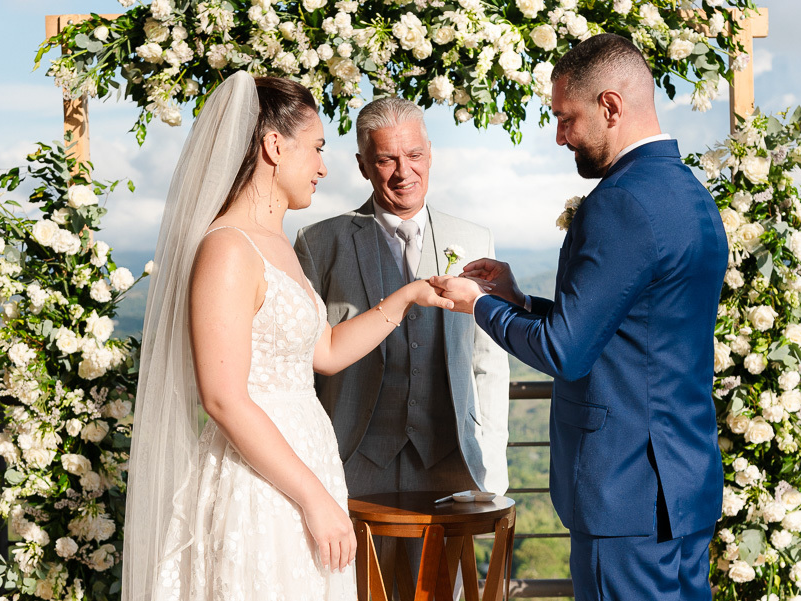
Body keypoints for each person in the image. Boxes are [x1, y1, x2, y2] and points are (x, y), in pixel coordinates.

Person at [122, 72, 453, 601]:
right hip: (262, 478)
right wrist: (314, 499)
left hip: (308, 460)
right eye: (317, 148)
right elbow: (223, 399)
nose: (325, 166)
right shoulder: (227, 249)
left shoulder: (274, 242)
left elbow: (324, 351)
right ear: (274, 146)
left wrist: (408, 296)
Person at [431, 34, 728, 601]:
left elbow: (565, 351)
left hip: (626, 493)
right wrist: (518, 300)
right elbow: (628, 329)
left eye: (566, 117)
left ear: (610, 106)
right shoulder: (689, 193)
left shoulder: (620, 201)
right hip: (682, 485)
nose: (560, 135)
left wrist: (479, 305)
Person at [294, 97, 509, 502]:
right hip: (349, 463)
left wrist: (491, 465)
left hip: (451, 466)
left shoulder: (476, 239)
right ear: (362, 165)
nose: (403, 172)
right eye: (386, 160)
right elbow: (302, 366)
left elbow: (488, 362)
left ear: (430, 156)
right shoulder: (319, 243)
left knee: (446, 570)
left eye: (414, 155)